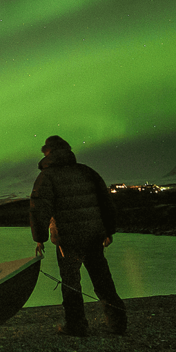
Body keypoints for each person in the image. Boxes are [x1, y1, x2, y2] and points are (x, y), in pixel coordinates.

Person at [29, 135, 127, 337]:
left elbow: (39, 209)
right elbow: (106, 203)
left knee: (71, 283)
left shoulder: (47, 177)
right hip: (94, 235)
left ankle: (77, 325)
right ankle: (118, 323)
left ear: (48, 152)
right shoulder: (87, 172)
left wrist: (40, 238)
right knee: (102, 279)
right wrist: (108, 231)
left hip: (68, 239)